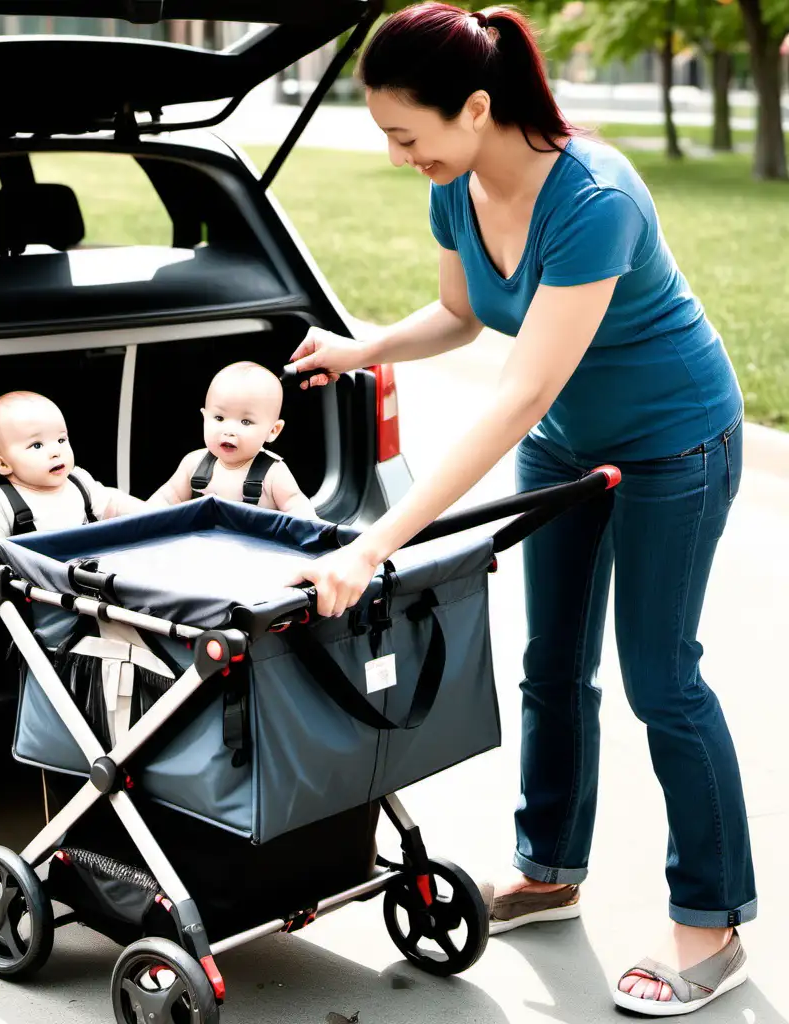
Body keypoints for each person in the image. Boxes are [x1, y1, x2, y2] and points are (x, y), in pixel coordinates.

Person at [285, 3, 754, 1015]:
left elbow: (521, 391)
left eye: (408, 135)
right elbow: (460, 315)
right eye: (387, 139)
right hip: (569, 445)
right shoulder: (454, 186)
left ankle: (711, 929)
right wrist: (354, 348)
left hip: (676, 440)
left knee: (662, 680)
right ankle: (548, 868)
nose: (401, 157)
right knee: (551, 664)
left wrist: (374, 542)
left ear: (477, 107)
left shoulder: (593, 198)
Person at [0, 390, 144, 559]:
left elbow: (113, 504)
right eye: (37, 445)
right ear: (2, 464)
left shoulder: (78, 480)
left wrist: (146, 514)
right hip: (42, 580)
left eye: (61, 440)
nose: (56, 451)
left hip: (94, 571)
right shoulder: (2, 499)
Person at [148, 361, 318, 518]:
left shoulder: (273, 473)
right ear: (204, 418)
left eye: (245, 422)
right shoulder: (193, 464)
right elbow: (167, 498)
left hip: (252, 548)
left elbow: (299, 511)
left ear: (273, 430)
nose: (229, 431)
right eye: (219, 418)